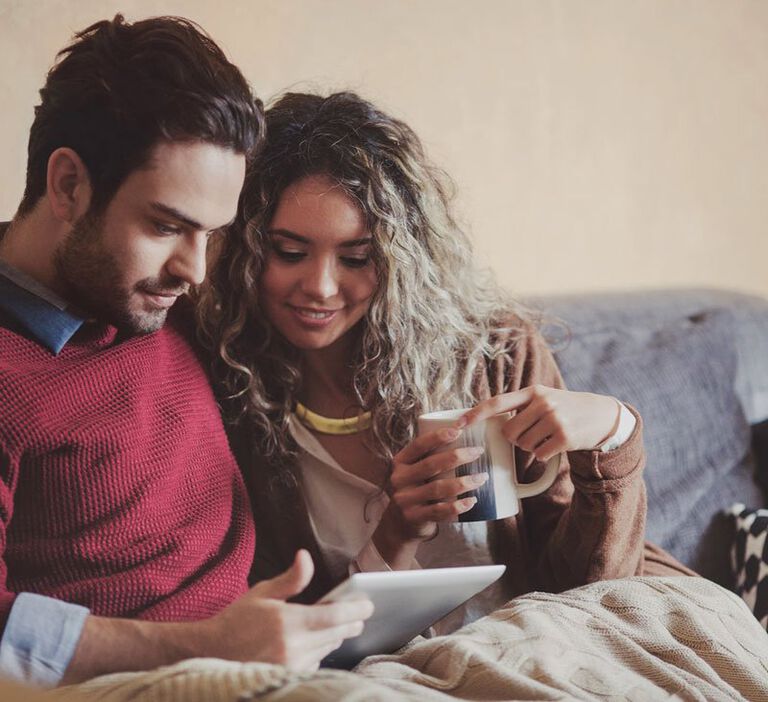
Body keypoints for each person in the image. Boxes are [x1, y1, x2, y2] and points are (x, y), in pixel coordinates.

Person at [198, 91, 694, 629]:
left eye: (357, 258)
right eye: (289, 252)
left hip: (553, 639)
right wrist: (395, 533)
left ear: (398, 259)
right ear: (246, 249)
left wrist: (614, 440)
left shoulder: (493, 352)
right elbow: (296, 635)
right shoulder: (230, 391)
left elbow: (591, 593)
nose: (320, 287)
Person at [0, 19, 371, 688]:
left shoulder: (163, 304)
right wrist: (206, 646)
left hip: (286, 654)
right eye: (166, 225)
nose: (196, 271)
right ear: (68, 186)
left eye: (212, 234)